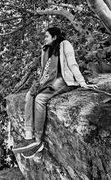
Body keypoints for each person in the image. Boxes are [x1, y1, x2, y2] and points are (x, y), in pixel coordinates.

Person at [13, 26, 97, 158]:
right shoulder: (45, 49)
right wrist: (39, 84)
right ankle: (28, 135)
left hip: (63, 80)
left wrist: (82, 82)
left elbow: (72, 64)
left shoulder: (65, 45)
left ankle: (37, 140)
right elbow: (43, 71)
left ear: (55, 37)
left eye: (47, 36)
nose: (44, 38)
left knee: (40, 99)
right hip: (48, 80)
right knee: (30, 95)